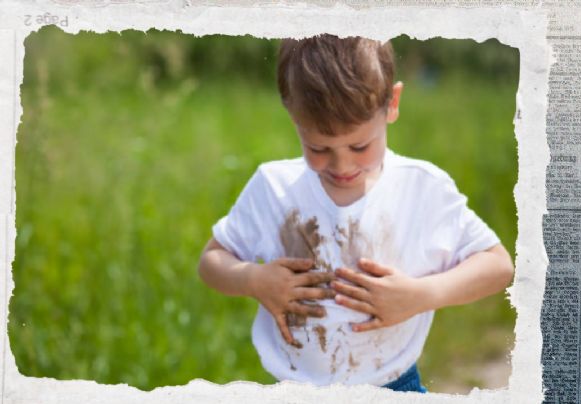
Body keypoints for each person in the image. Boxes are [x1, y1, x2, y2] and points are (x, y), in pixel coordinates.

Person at [197, 34, 514, 392]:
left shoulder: (421, 188)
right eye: (318, 147)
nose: (341, 164)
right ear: (292, 113)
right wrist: (252, 280)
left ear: (391, 103)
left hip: (392, 386)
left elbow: (497, 266)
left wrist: (421, 295)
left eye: (359, 145)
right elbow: (212, 261)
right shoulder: (273, 187)